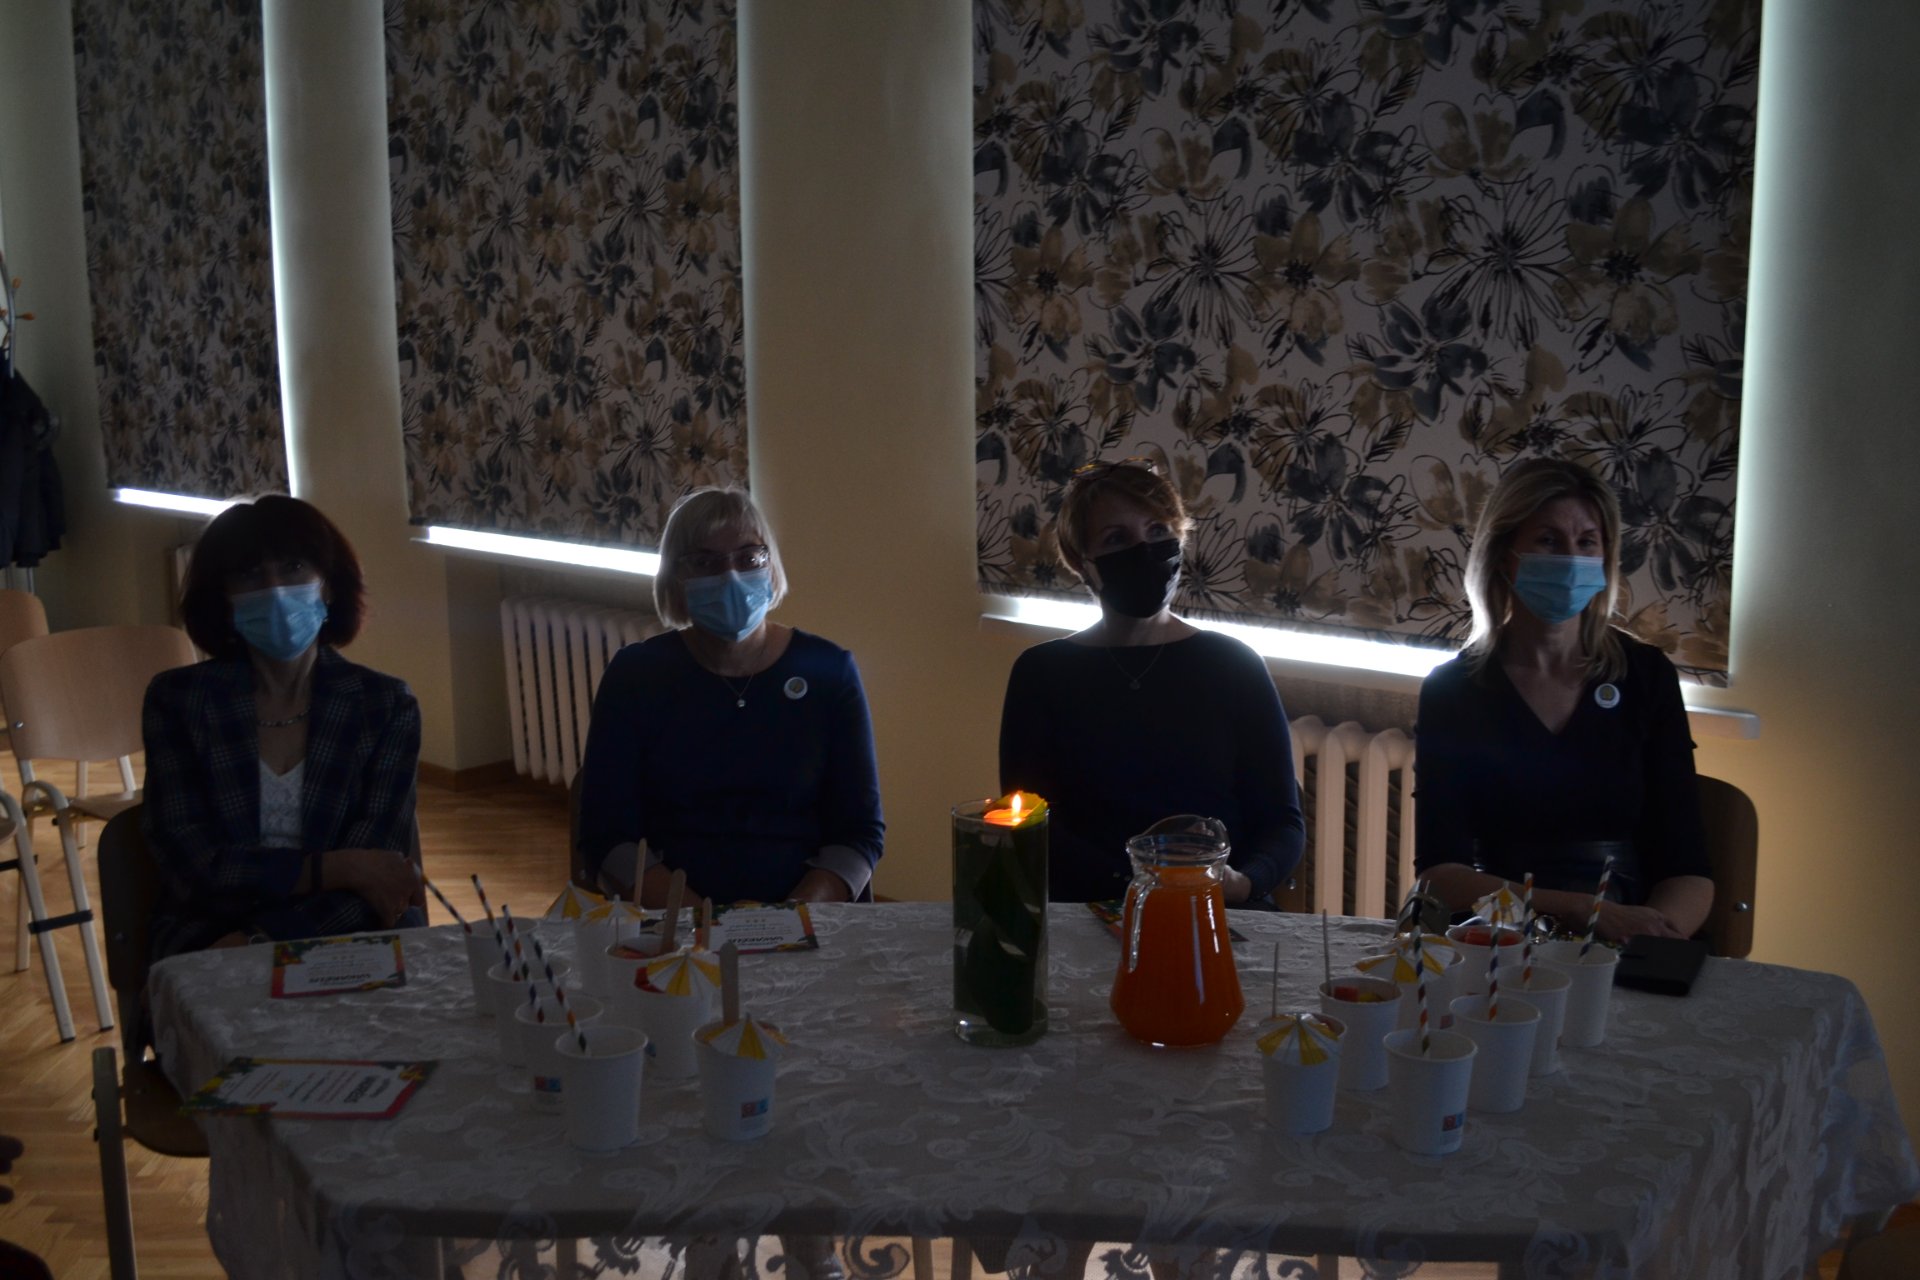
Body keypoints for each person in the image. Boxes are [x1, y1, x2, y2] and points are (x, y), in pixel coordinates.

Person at [1413, 457, 1714, 941]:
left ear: (1605, 557)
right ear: (1505, 554)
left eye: (1587, 542)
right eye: (1548, 540)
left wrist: (1652, 941)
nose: (1571, 558)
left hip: (1627, 936)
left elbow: (1688, 868)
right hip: (1496, 938)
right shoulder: (1454, 690)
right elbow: (1441, 876)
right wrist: (1577, 911)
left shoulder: (1646, 676)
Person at [998, 458, 1305, 904]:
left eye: (1158, 531)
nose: (1144, 550)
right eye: (1116, 538)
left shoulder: (1234, 664)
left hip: (1219, 909)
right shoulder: (1042, 673)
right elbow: (1031, 821)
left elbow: (1283, 822)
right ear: (1082, 563)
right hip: (1092, 909)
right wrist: (1137, 886)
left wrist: (1243, 882)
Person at [144, 495, 424, 960]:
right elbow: (192, 867)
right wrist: (335, 868)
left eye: (294, 567)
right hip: (209, 939)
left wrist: (262, 941)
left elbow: (376, 875)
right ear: (224, 599)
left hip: (348, 934)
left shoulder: (385, 706)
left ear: (328, 587)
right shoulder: (178, 701)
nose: (274, 590)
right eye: (250, 575)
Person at [575, 487, 884, 906]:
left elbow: (860, 832)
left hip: (806, 917)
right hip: (671, 919)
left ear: (770, 566)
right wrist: (700, 921)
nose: (731, 576)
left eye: (748, 557)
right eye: (705, 562)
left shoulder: (829, 671)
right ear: (676, 579)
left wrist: (789, 920)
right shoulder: (636, 676)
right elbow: (607, 835)